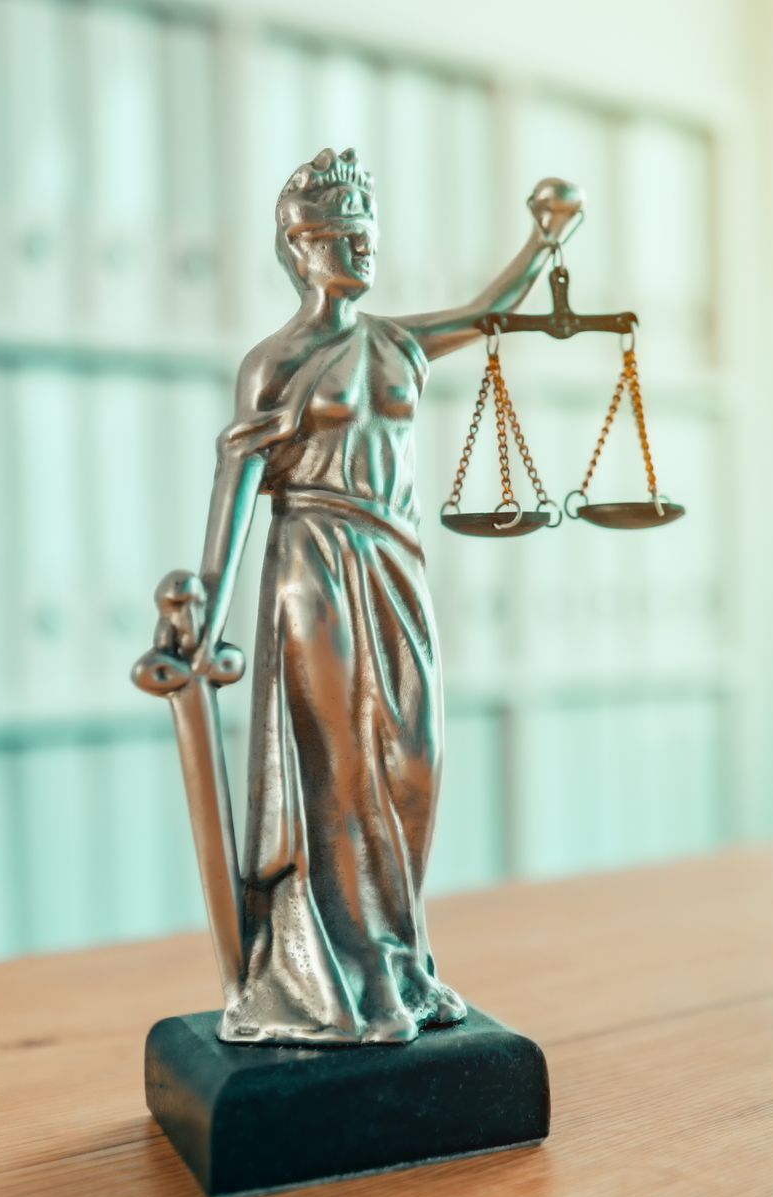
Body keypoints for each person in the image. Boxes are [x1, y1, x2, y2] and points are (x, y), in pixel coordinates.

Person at [187, 147, 581, 1044]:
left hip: (395, 557)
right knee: (339, 770)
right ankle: (354, 977)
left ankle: (401, 958)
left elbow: (487, 312)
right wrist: (207, 604)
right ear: (301, 248)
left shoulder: (397, 343)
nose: (364, 248)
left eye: (368, 232)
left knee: (414, 760)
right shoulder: (273, 364)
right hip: (315, 556)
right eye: (343, 235)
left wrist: (545, 240)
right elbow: (237, 478)